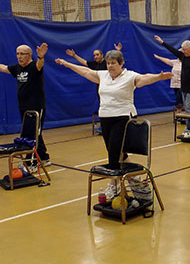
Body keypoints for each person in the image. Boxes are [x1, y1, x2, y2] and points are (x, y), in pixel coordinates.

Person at [55, 50, 173, 199]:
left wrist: (159, 77)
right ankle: (135, 179)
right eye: (108, 63)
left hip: (123, 117)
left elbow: (144, 78)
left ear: (121, 63)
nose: (110, 66)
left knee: (113, 153)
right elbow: (85, 71)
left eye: (113, 63)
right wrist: (67, 64)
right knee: (119, 153)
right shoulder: (103, 75)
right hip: (105, 117)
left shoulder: (129, 76)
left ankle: (114, 185)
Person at [0, 43, 51, 170]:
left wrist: (41, 57)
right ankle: (44, 157)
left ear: (29, 55)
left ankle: (32, 163)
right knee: (33, 134)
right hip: (23, 107)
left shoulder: (34, 66)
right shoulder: (17, 68)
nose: (19, 56)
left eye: (22, 54)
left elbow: (40, 65)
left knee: (33, 135)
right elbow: (5, 68)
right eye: (17, 53)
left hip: (36, 106)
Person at [154, 36, 190, 138]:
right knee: (189, 110)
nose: (183, 51)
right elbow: (172, 50)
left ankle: (188, 129)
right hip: (183, 88)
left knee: (188, 109)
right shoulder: (183, 57)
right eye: (182, 49)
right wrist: (162, 42)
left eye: (184, 49)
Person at [66, 43, 122, 134]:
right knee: (103, 106)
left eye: (97, 55)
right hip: (100, 89)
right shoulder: (94, 64)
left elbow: (116, 60)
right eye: (94, 55)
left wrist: (118, 50)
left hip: (111, 88)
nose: (95, 56)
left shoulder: (107, 62)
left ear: (102, 55)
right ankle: (104, 126)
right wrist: (74, 55)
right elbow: (84, 62)